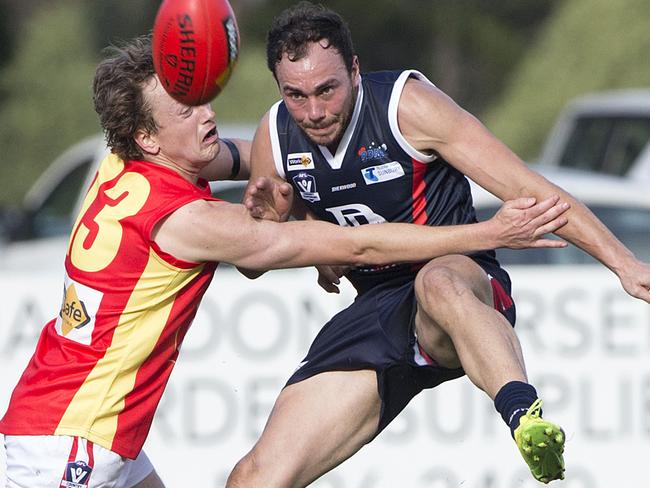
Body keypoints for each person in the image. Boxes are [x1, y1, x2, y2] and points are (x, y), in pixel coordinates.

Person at [0, 35, 569, 488]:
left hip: (72, 421)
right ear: (148, 137)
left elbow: (250, 158)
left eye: (198, 95)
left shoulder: (118, 166)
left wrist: (292, 172)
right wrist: (487, 231)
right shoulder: (189, 221)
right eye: (185, 106)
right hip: (74, 441)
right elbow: (357, 247)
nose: (206, 111)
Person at [227, 2, 650, 487]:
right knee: (254, 478)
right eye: (296, 95)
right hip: (380, 313)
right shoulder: (275, 137)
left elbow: (531, 190)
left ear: (355, 70)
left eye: (327, 89)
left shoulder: (408, 107)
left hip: (461, 284)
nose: (315, 111)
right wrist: (270, 225)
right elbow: (255, 265)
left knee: (438, 282)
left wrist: (624, 263)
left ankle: (523, 416)